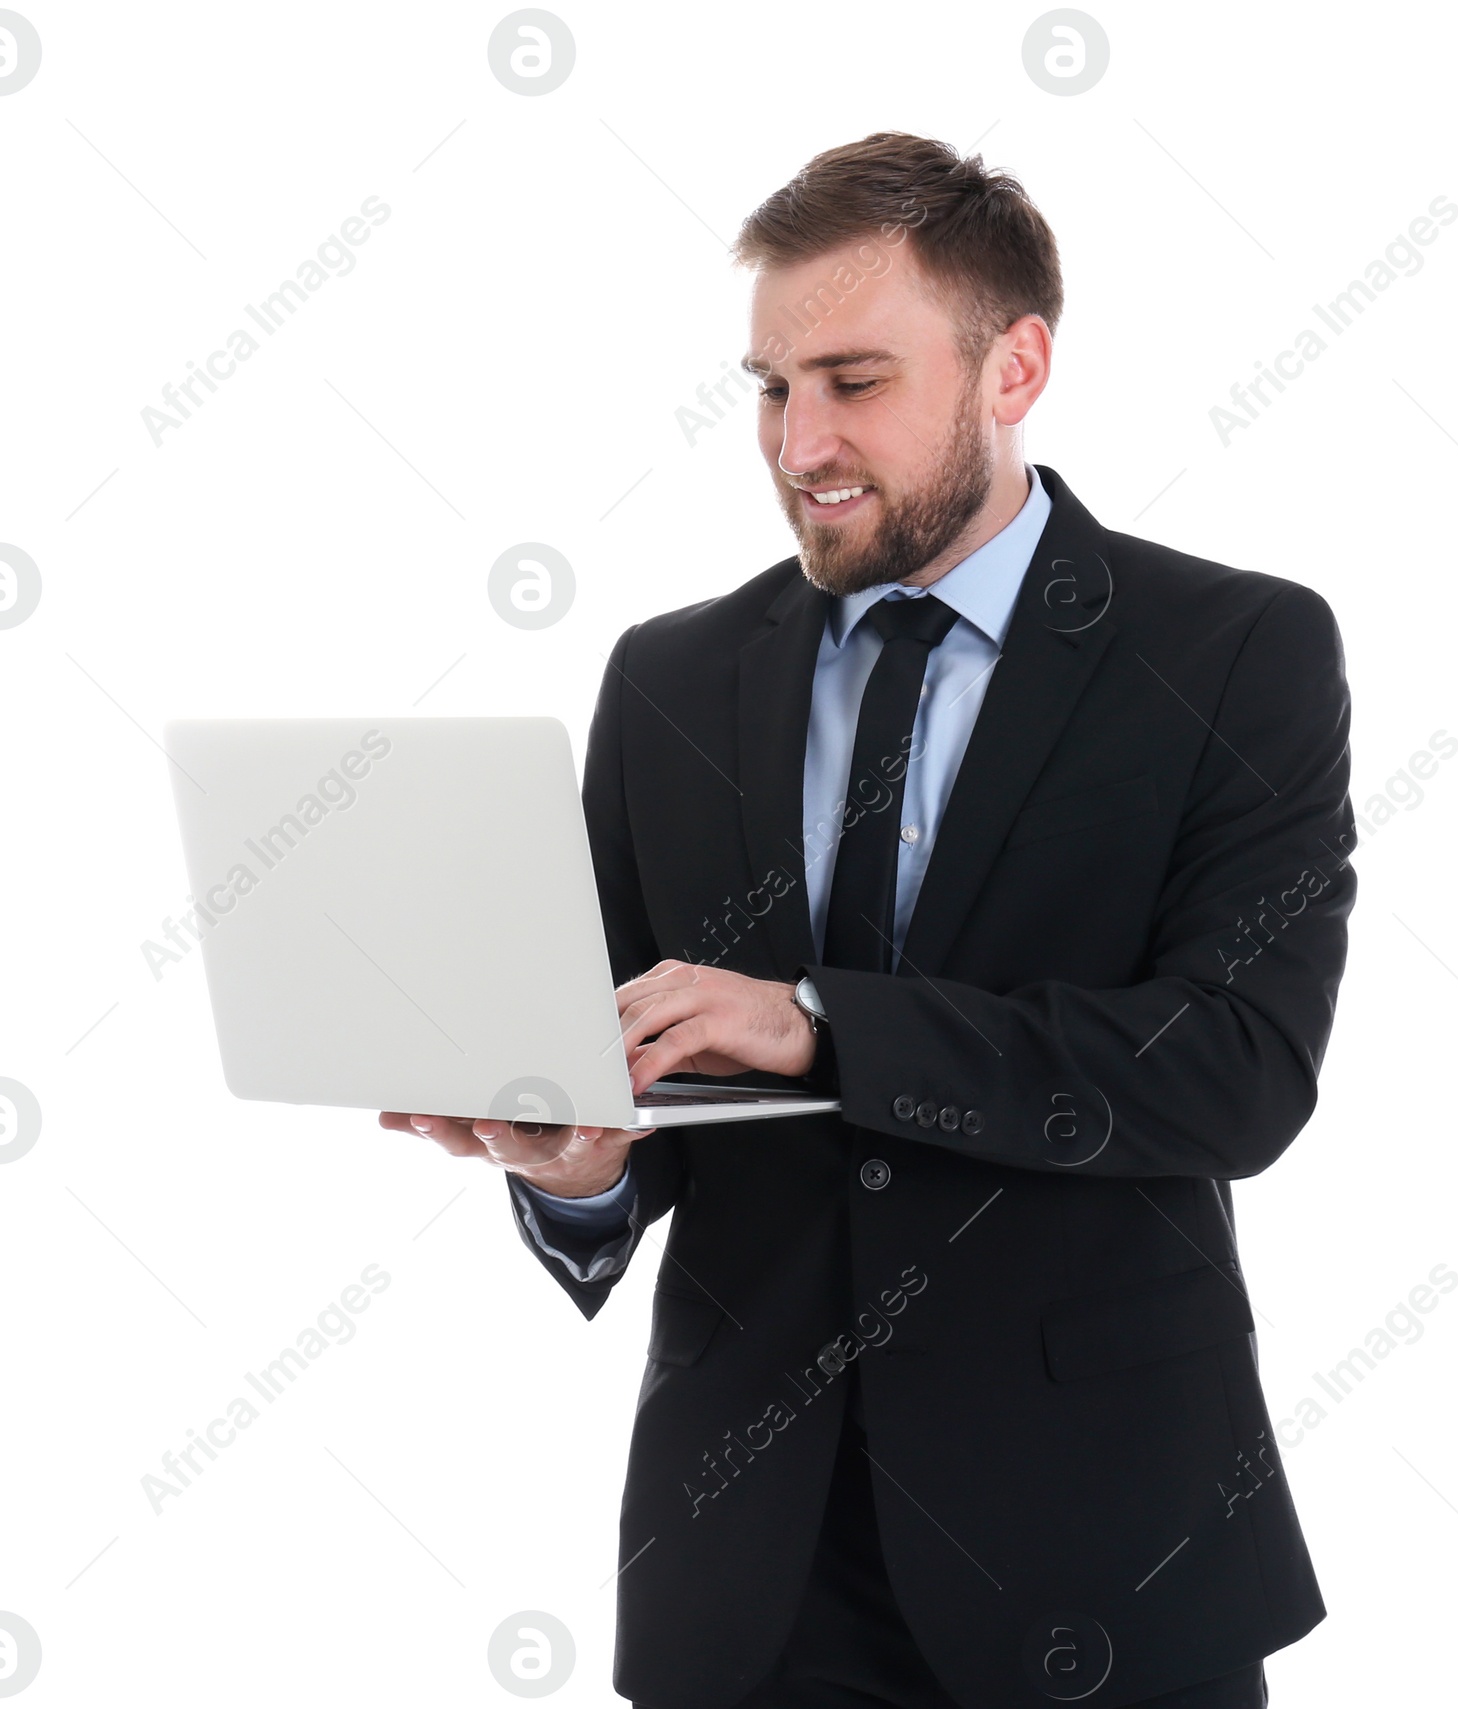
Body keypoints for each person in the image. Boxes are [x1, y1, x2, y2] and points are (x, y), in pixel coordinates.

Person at [381, 131, 1357, 1709]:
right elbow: (650, 1078)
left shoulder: (1234, 651)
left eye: (853, 380)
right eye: (770, 386)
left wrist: (820, 1016)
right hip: (750, 1567)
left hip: (1102, 1551)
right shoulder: (671, 680)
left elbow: (1238, 1069)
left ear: (1014, 366)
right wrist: (579, 1161)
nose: (799, 441)